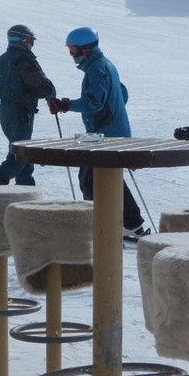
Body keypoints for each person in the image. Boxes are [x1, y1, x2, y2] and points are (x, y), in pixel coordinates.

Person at [46, 27, 149, 240]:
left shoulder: (96, 68)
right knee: (101, 177)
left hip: (106, 135)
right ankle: (130, 224)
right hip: (107, 132)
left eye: (73, 50)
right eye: (69, 50)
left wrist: (66, 105)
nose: (72, 55)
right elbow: (123, 93)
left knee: (92, 179)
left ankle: (111, 224)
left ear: (87, 49)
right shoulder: (105, 64)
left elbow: (94, 102)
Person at [0, 24, 56, 186]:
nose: (32, 45)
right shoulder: (24, 60)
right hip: (21, 114)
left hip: (6, 114)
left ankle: (25, 188)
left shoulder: (1, 61)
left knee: (22, 150)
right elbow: (42, 86)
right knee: (21, 154)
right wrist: (51, 94)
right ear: (24, 41)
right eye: (31, 41)